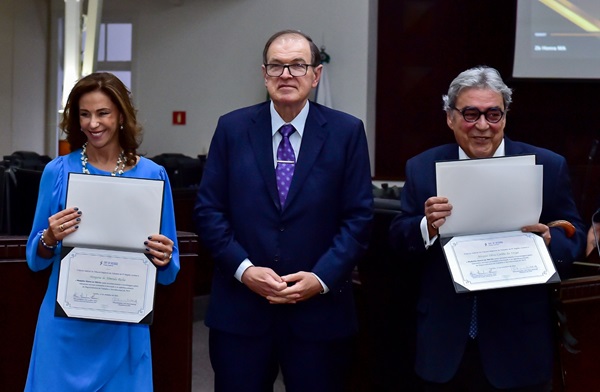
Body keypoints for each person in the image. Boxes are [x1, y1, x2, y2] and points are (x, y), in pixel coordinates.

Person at [194, 29, 373, 392]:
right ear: (264, 74)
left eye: (297, 65)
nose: (286, 75)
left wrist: (320, 278)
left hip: (318, 315)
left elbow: (358, 219)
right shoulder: (232, 128)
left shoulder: (346, 132)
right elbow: (208, 210)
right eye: (277, 66)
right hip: (241, 312)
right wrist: (244, 271)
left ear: (316, 74)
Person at [389, 66, 586, 391]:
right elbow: (397, 240)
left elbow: (574, 236)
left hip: (518, 345)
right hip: (444, 345)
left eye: (493, 114)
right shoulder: (422, 168)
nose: (482, 126)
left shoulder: (546, 166)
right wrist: (427, 227)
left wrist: (549, 241)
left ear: (505, 117)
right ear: (450, 117)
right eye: (470, 114)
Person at [25, 72, 180, 391]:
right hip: (64, 329)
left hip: (123, 328)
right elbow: (34, 259)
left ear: (121, 115)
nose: (93, 123)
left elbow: (169, 271)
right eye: (84, 114)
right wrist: (49, 237)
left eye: (103, 113)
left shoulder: (153, 175)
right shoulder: (57, 172)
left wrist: (164, 257)